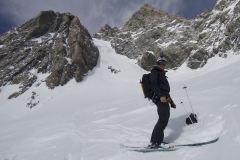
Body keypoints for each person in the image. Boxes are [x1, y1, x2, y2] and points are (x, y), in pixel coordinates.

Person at [148, 56, 176, 148]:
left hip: (164, 98)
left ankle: (158, 140)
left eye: (164, 63)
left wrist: (171, 102)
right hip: (160, 99)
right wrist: (161, 96)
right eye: (161, 63)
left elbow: (165, 91)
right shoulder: (155, 72)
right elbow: (154, 85)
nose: (163, 65)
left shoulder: (161, 73)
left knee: (164, 119)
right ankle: (155, 142)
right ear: (157, 63)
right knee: (162, 119)